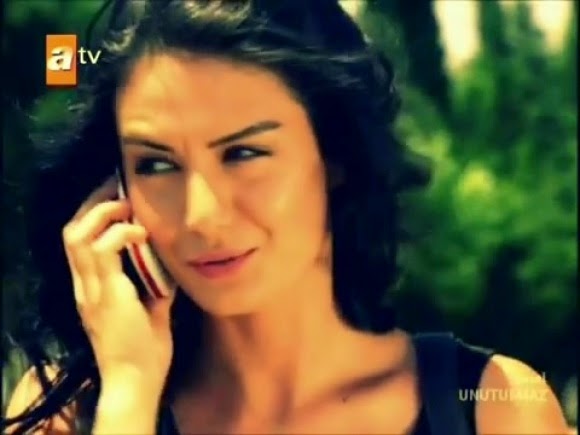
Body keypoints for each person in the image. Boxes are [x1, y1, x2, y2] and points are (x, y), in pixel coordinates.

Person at [3, 0, 569, 434]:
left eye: (244, 153)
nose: (202, 217)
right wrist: (129, 394)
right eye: (156, 164)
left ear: (335, 155)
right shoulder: (67, 413)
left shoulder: (493, 408)